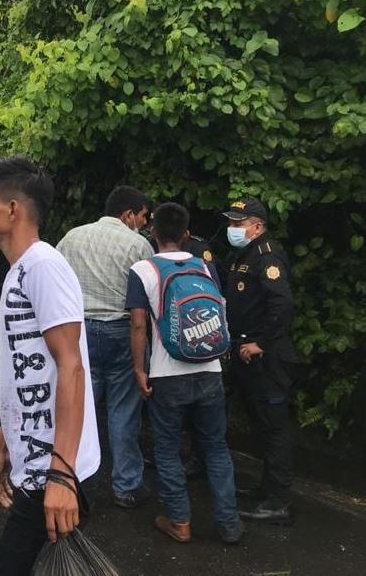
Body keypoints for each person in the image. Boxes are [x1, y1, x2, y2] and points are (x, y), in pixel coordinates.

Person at [0, 157, 99, 573]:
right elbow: (25, 372)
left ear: (12, 210)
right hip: (34, 462)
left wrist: (62, 475)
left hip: (52, 467)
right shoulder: (19, 272)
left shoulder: (45, 267)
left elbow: (72, 366)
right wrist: (1, 443)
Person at [127, 202, 242, 545]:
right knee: (216, 448)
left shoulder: (142, 270)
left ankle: (180, 521)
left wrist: (138, 368)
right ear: (187, 235)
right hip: (209, 369)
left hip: (166, 374)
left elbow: (137, 325)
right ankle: (229, 524)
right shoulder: (204, 268)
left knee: (166, 448)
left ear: (153, 233)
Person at [56, 185, 153, 508]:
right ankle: (125, 487)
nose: (143, 222)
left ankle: (70, 480)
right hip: (121, 333)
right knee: (123, 412)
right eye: (141, 216)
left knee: (78, 410)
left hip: (78, 332)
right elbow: (150, 298)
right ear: (128, 214)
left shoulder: (72, 238)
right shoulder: (139, 245)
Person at [222, 197, 296, 524]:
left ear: (257, 226)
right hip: (244, 352)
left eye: (239, 223)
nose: (233, 228)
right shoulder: (246, 254)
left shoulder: (268, 256)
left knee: (275, 427)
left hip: (266, 357)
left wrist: (260, 343)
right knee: (262, 425)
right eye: (232, 223)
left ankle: (278, 501)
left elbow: (282, 305)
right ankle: (266, 490)